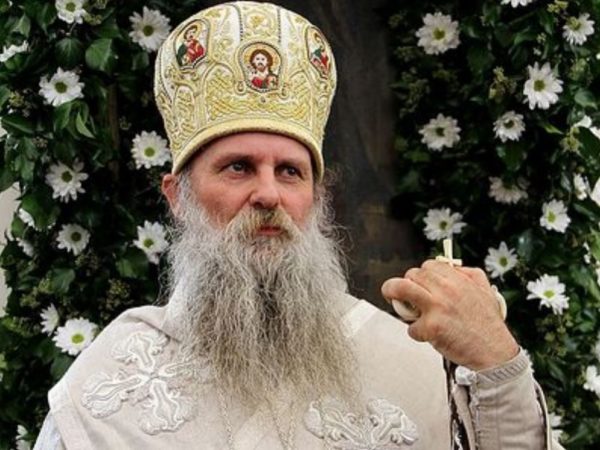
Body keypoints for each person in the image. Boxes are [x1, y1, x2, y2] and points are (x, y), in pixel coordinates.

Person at [35, 2, 564, 449]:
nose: (269, 194)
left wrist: (497, 360)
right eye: (238, 167)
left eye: (290, 171)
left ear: (316, 198)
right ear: (178, 196)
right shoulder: (108, 389)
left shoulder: (405, 362)